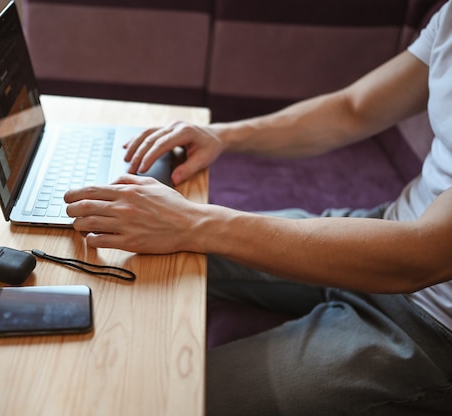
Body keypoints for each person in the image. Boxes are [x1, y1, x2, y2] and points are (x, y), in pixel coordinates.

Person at [65, 2, 452, 414]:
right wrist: (221, 135)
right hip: (382, 226)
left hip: (429, 327)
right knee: (122, 256)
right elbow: (352, 109)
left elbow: (420, 256)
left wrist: (192, 221)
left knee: (158, 400)